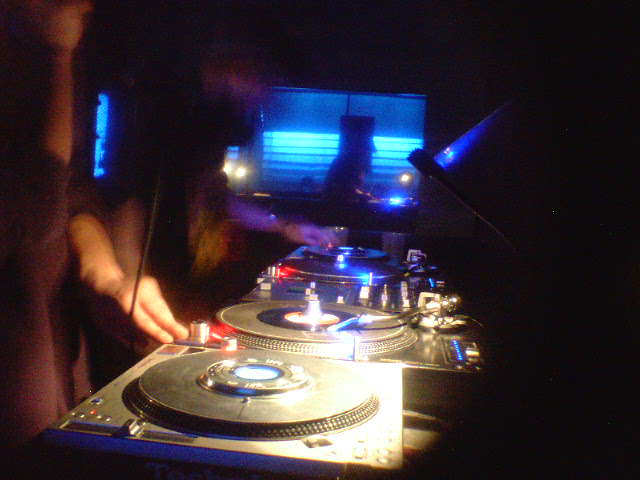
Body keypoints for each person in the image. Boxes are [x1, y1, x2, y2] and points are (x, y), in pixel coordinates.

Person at [68, 7, 336, 366]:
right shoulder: (162, 109)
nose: (265, 96)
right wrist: (127, 283)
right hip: (142, 294)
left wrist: (283, 225)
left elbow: (213, 193)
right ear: (239, 64)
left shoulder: (212, 122)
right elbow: (124, 199)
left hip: (175, 286)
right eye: (265, 82)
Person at [0, 0, 96, 450]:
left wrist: (97, 250)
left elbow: (66, 196)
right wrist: (56, 54)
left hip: (51, 381)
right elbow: (34, 205)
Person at [324, 115, 377, 203]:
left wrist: (361, 194)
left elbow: (350, 188)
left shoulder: (347, 163)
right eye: (368, 152)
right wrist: (362, 195)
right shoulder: (346, 164)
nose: (371, 154)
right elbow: (343, 189)